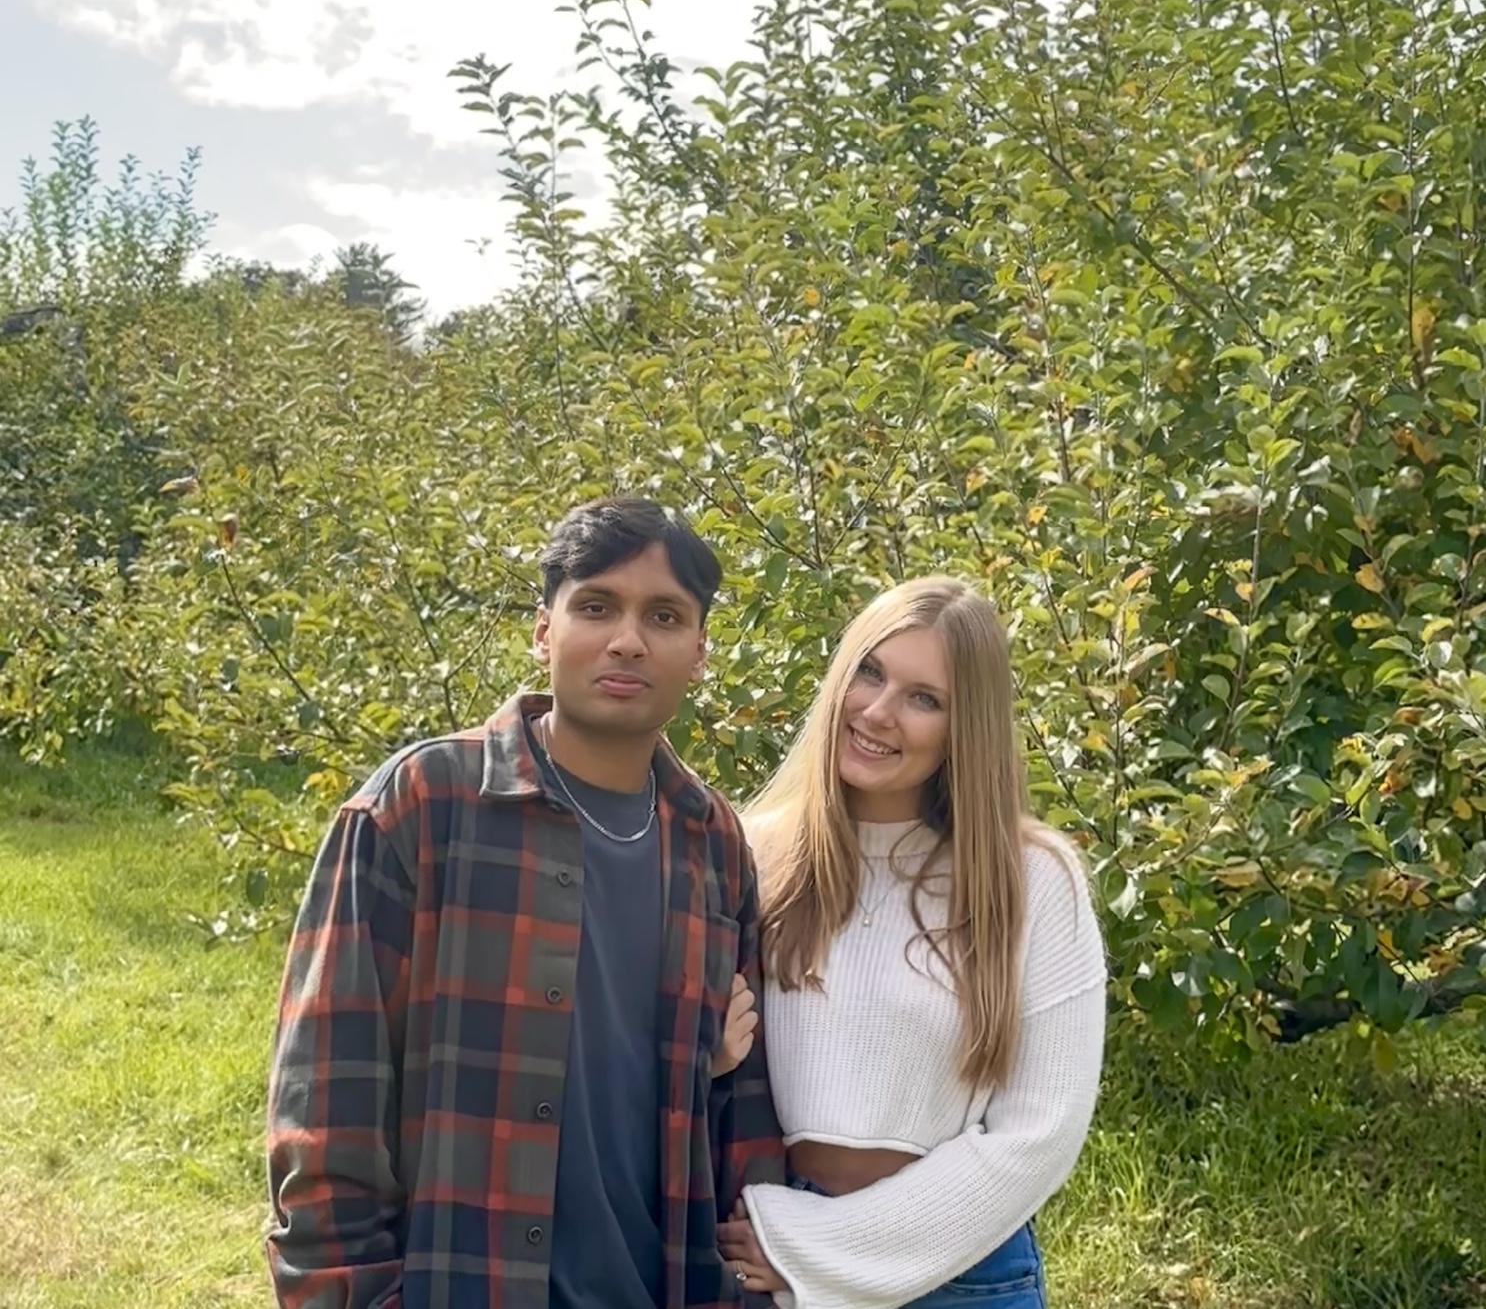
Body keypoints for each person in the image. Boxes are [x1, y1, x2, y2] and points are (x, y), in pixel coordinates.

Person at [266, 497, 784, 1309]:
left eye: (664, 616)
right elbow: (326, 1100)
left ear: (699, 653)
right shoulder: (424, 806)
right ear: (544, 630)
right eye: (597, 607)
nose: (628, 640)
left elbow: (738, 1116)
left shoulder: (710, 840)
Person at [717, 577, 1105, 1309]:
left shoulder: (1031, 878)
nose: (876, 711)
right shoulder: (751, 854)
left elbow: (1040, 1134)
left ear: (966, 728)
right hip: (767, 1246)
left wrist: (819, 1244)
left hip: (960, 1273)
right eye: (869, 672)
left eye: (923, 698)